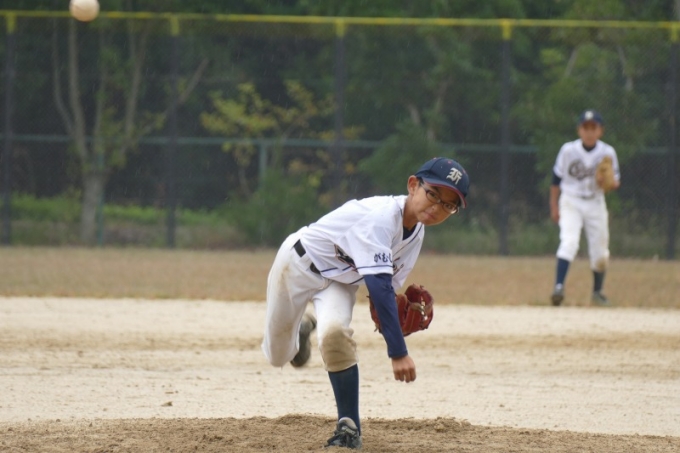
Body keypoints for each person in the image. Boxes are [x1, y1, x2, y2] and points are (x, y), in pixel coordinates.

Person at [261, 157, 470, 449]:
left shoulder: (416, 232)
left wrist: (393, 314)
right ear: (413, 185)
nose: (437, 207)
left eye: (448, 205)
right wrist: (398, 351)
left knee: (335, 336)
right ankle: (301, 333)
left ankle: (349, 429)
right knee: (278, 356)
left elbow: (386, 290)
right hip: (297, 264)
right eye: (433, 194)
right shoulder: (381, 219)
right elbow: (380, 287)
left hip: (340, 282)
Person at [549, 109, 620, 307]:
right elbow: (555, 180)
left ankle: (597, 292)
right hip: (571, 200)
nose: (589, 132)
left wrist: (606, 182)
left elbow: (615, 182)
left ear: (600, 131)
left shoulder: (607, 152)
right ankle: (558, 288)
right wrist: (554, 206)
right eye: (585, 127)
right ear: (579, 130)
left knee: (600, 253)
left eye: (593, 127)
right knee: (569, 242)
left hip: (595, 202)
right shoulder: (568, 150)